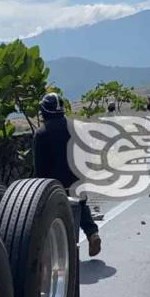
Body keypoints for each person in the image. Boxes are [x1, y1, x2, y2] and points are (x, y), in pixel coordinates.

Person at [34, 93, 102, 257]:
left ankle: (68, 249)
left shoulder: (41, 134)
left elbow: (40, 165)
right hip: (77, 178)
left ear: (44, 111)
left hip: (55, 183)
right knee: (81, 207)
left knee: (59, 215)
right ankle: (92, 234)